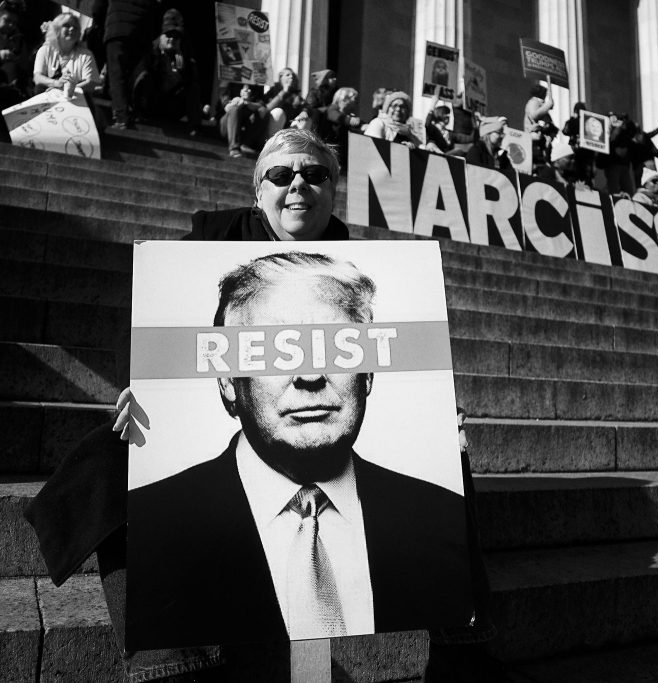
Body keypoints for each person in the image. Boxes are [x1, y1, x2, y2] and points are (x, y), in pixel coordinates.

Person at [26, 128, 497, 681]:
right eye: (281, 174)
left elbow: (405, 352)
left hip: (375, 483)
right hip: (178, 444)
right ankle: (172, 662)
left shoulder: (368, 263)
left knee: (448, 454)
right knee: (118, 461)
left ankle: (464, 642)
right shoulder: (210, 239)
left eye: (315, 173)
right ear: (258, 191)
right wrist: (141, 383)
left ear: (333, 187)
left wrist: (438, 406)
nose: (298, 183)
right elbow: (153, 314)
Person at [126, 251, 473, 647]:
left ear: (370, 371)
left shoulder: (439, 514)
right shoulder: (152, 521)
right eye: (278, 349)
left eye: (336, 347)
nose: (309, 374)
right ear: (226, 382)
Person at [131, 10, 201, 135]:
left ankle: (194, 127)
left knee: (193, 87)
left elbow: (191, 83)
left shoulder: (184, 58)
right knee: (144, 76)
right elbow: (140, 80)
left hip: (170, 107)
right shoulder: (150, 53)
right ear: (161, 36)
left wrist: (184, 68)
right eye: (169, 35)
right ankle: (138, 114)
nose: (172, 39)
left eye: (176, 37)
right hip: (150, 104)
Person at [103, 0, 161, 128]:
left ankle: (121, 116)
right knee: (136, 75)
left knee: (117, 74)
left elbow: (98, 7)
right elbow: (158, 14)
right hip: (142, 34)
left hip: (117, 29)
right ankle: (136, 111)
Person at [33, 12, 99, 95]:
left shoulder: (85, 54)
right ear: (56, 29)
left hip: (76, 100)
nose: (71, 29)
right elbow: (38, 78)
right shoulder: (45, 50)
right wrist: (56, 84)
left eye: (75, 27)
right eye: (67, 25)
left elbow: (90, 83)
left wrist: (67, 90)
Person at [0, 0, 24, 120]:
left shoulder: (16, 35)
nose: (11, 25)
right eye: (7, 21)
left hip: (1, 74)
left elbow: (20, 60)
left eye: (14, 23)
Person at [219, 82, 273, 158]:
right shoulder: (230, 81)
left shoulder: (257, 85)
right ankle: (234, 147)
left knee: (263, 111)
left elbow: (262, 104)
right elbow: (225, 105)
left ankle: (247, 144)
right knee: (234, 109)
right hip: (227, 126)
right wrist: (237, 102)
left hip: (247, 126)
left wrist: (247, 102)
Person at [523, 76, 555, 164]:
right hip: (533, 139)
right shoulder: (533, 102)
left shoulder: (540, 105)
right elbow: (534, 115)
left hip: (542, 142)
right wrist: (548, 105)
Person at [264, 67, 306, 134]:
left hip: (288, 125)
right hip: (273, 124)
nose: (291, 77)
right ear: (281, 77)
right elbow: (268, 108)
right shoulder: (274, 90)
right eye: (288, 75)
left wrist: (303, 111)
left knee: (304, 118)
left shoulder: (295, 94)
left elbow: (303, 110)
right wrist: (284, 91)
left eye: (292, 75)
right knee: (278, 112)